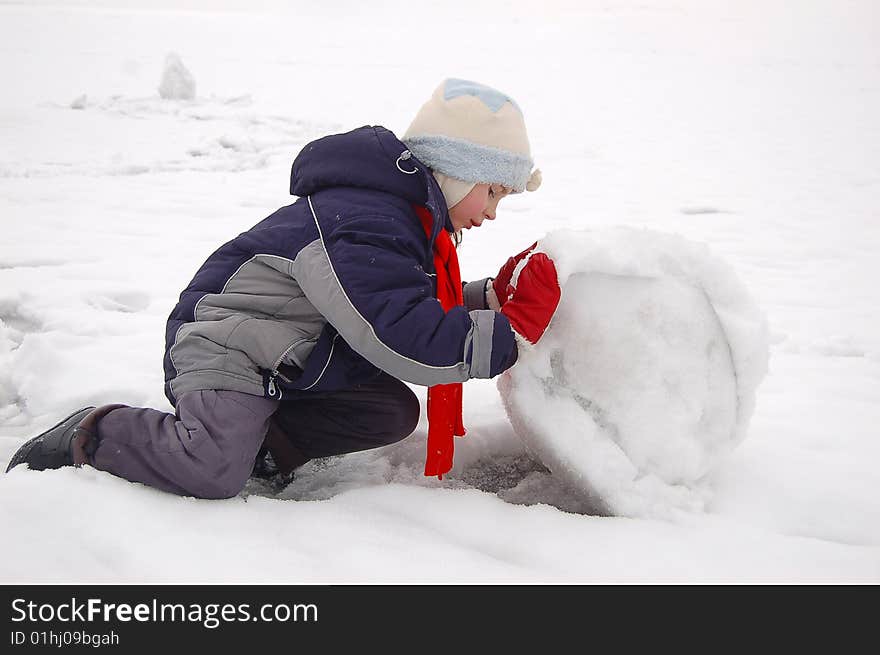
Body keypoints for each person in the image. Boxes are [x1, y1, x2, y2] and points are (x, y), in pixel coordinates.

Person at [5, 78, 561, 498]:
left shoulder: (398, 222)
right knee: (209, 469)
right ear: (454, 172)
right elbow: (396, 335)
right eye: (491, 192)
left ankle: (262, 450)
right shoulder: (364, 221)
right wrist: (511, 332)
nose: (491, 213)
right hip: (228, 346)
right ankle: (94, 435)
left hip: (289, 357)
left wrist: (488, 297)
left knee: (386, 412)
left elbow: (401, 302)